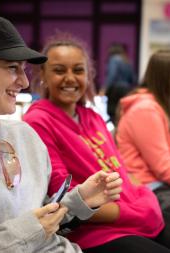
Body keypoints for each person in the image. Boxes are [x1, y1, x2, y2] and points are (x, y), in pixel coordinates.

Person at [23, 32, 170, 253]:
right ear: (42, 74)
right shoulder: (38, 121)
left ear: (89, 75)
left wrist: (142, 200)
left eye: (78, 70)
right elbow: (62, 195)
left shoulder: (93, 118)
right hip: (91, 229)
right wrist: (134, 212)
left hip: (133, 214)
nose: (70, 78)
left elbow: (121, 169)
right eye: (59, 70)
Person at [0, 15, 123, 253]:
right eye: (12, 68)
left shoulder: (26, 136)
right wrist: (31, 230)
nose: (23, 82)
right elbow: (34, 227)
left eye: (24, 70)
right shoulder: (40, 121)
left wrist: (79, 200)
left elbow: (44, 215)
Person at [115, 50, 170, 211]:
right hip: (147, 185)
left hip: (157, 183)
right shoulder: (145, 110)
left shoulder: (158, 105)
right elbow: (163, 167)